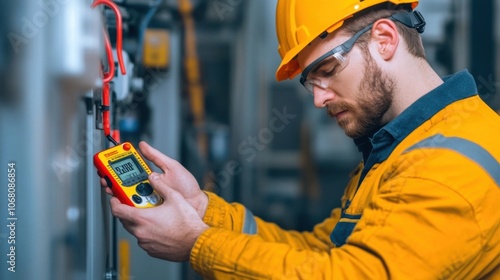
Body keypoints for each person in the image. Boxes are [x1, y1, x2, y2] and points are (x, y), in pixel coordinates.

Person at [102, 0, 500, 278]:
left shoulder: (448, 166)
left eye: (328, 68)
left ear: (384, 39)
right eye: (311, 80)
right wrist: (202, 211)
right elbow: (318, 254)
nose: (318, 97)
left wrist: (197, 244)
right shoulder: (401, 149)